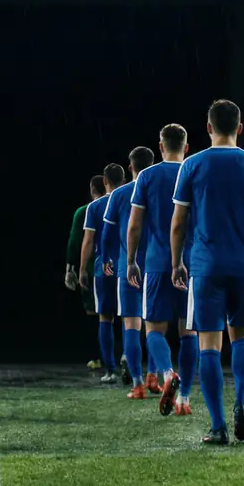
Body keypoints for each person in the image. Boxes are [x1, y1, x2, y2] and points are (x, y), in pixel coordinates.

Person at [170, 99, 244, 446]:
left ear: (208, 128)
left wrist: (177, 262)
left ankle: (218, 426)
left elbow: (178, 224)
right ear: (239, 127)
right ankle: (242, 405)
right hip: (243, 266)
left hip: (206, 267)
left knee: (209, 344)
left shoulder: (192, 165)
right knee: (242, 337)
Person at [127, 123, 197, 417]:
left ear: (160, 146)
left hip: (156, 263)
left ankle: (167, 374)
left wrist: (131, 260)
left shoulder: (147, 176)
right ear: (186, 147)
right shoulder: (194, 171)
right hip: (192, 262)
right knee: (189, 333)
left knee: (153, 330)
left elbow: (135, 224)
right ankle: (184, 399)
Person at [106, 146, 155, 400]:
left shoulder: (121, 194)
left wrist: (107, 257)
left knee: (131, 326)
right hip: (157, 265)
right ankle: (155, 376)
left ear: (130, 166)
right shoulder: (158, 190)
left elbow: (108, 233)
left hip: (129, 266)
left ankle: (137, 383)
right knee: (155, 326)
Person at [80, 166, 122, 383]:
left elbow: (88, 241)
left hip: (103, 268)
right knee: (131, 318)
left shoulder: (95, 206)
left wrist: (81, 270)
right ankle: (130, 360)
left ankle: (110, 370)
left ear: (104, 180)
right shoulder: (128, 200)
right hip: (127, 265)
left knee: (106, 317)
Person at [68, 175, 108, 372]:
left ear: (92, 190)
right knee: (118, 315)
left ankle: (99, 357)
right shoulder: (118, 204)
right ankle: (122, 356)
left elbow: (77, 241)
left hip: (94, 268)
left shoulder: (85, 211)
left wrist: (72, 268)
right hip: (117, 267)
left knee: (94, 313)